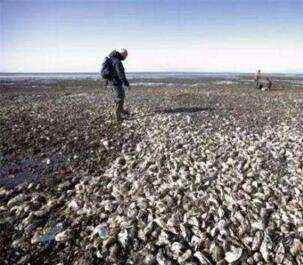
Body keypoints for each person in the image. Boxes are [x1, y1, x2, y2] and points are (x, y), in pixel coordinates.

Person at [106, 49, 130, 121]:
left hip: (113, 81)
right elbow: (121, 74)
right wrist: (126, 83)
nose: (126, 57)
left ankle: (121, 110)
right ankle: (117, 116)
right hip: (116, 82)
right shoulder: (117, 61)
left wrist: (107, 82)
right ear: (122, 54)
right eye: (126, 55)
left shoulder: (112, 59)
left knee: (120, 96)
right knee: (120, 97)